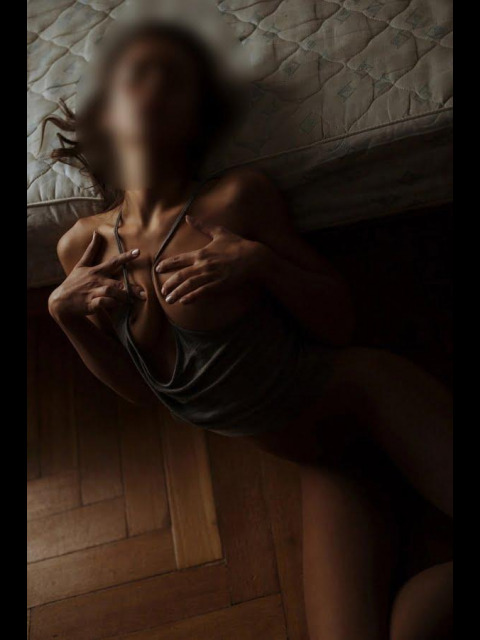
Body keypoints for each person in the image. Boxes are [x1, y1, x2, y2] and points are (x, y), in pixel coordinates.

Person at [45, 21, 453, 639]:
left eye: (176, 82)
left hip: (366, 398)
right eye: (139, 74)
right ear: (106, 110)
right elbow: (141, 391)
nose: (156, 89)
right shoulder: (80, 248)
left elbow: (339, 325)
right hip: (320, 457)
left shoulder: (236, 200)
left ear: (194, 121)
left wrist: (261, 264)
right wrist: (63, 315)